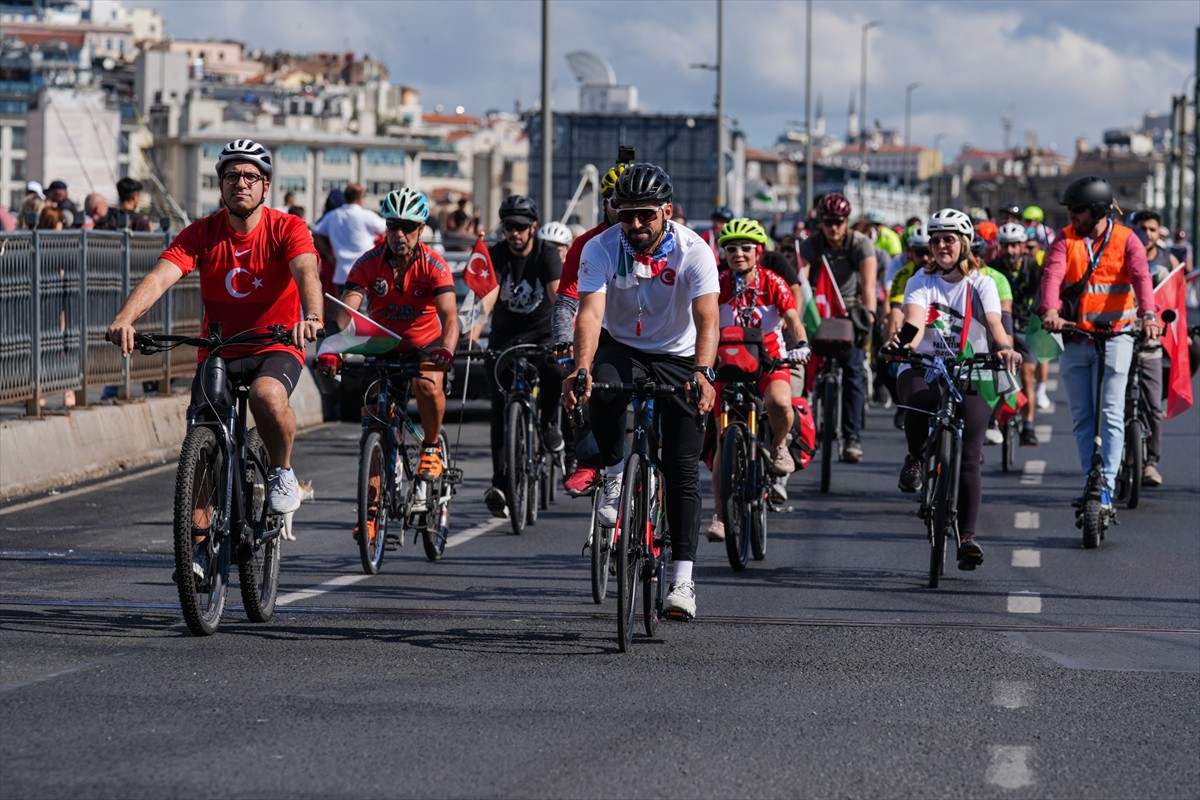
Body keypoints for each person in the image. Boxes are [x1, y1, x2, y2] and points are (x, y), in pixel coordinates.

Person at [107, 138, 323, 540]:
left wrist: (311, 317)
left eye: (250, 176)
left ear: (266, 185)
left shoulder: (287, 228)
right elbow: (160, 277)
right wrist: (125, 319)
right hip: (220, 348)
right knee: (202, 437)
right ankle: (198, 550)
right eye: (231, 176)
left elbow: (306, 271)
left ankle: (282, 471)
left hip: (275, 343)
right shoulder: (202, 233)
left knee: (266, 395)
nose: (240, 183)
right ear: (220, 184)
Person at [563, 162, 719, 621]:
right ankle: (614, 474)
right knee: (601, 385)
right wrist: (581, 368)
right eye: (626, 214)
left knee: (682, 468)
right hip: (623, 346)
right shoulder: (600, 247)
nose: (635, 224)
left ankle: (682, 579)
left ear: (666, 211)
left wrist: (704, 372)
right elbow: (590, 314)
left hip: (680, 353)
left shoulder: (694, 250)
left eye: (645, 214)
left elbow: (708, 319)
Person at [890, 208, 1021, 570]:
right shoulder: (920, 280)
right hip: (926, 365)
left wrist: (1005, 347)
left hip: (972, 367)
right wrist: (903, 345)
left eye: (949, 239)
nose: (941, 246)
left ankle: (967, 539)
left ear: (964, 244)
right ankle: (916, 456)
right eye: (935, 240)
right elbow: (915, 323)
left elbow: (995, 324)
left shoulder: (982, 282)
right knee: (918, 400)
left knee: (970, 457)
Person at [317, 188, 458, 498]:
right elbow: (348, 311)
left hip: (425, 345)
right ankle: (372, 507)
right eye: (393, 226)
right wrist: (333, 347)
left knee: (427, 386)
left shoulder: (434, 264)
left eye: (408, 227)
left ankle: (431, 446)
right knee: (373, 419)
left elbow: (450, 316)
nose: (399, 234)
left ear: (421, 229)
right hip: (383, 344)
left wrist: (446, 349)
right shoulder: (368, 262)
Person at [1038, 175, 1159, 512]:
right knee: (1082, 418)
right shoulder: (1064, 239)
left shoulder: (1127, 239)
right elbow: (1052, 275)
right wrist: (1050, 311)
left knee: (1110, 413)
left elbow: (1141, 277)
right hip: (1076, 336)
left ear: (1098, 211)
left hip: (1116, 336)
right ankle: (1090, 481)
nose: (1071, 216)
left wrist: (1149, 315)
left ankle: (1105, 485)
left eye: (1077, 210)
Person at [705, 218, 809, 542]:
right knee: (722, 438)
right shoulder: (717, 282)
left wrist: (801, 344)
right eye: (731, 248)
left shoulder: (773, 281)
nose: (738, 254)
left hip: (768, 361)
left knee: (779, 402)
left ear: (758, 251)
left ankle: (779, 446)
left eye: (745, 248)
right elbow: (701, 318)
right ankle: (720, 516)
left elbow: (792, 318)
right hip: (727, 364)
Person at [477, 194, 563, 519]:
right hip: (504, 339)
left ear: (533, 227)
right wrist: (471, 336)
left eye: (520, 227)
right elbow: (486, 298)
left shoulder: (547, 254)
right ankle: (500, 483)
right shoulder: (495, 254)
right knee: (500, 410)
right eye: (508, 226)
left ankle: (550, 422)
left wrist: (565, 338)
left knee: (555, 371)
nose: (514, 233)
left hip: (543, 335)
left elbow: (557, 296)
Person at [553, 162, 626, 495]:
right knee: (577, 374)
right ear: (604, 203)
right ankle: (588, 459)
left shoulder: (660, 239)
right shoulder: (586, 244)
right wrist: (564, 340)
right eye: (617, 202)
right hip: (600, 331)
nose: (624, 211)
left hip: (649, 334)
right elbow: (567, 303)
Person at [797, 192, 878, 462]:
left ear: (847, 221)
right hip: (819, 310)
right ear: (820, 221)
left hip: (850, 309)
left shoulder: (860, 243)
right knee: (802, 366)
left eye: (839, 222)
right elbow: (801, 281)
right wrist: (794, 318)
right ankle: (803, 429)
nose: (834, 228)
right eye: (829, 222)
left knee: (853, 370)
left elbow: (869, 287)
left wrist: (869, 317)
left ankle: (851, 437)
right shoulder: (811, 244)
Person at [1130, 210, 1176, 487]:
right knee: (1111, 405)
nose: (1146, 234)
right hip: (1121, 340)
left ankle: (1151, 463)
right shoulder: (1121, 259)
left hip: (1151, 345)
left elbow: (1173, 305)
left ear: (1159, 233)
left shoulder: (1165, 265)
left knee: (1154, 407)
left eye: (1152, 229)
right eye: (1141, 229)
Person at [987, 222, 1044, 445]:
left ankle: (1028, 425)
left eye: (1014, 245)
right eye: (1005, 246)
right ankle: (995, 417)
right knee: (1001, 373)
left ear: (1022, 246)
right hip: (1001, 327)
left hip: (1027, 326)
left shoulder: (1034, 269)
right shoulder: (993, 269)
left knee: (1027, 375)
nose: (1010, 251)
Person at [313, 183, 387, 296]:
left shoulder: (333, 215)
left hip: (342, 273)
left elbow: (316, 233)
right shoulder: (367, 215)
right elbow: (387, 227)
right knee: (364, 307)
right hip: (365, 272)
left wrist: (328, 255)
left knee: (344, 307)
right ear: (360, 198)